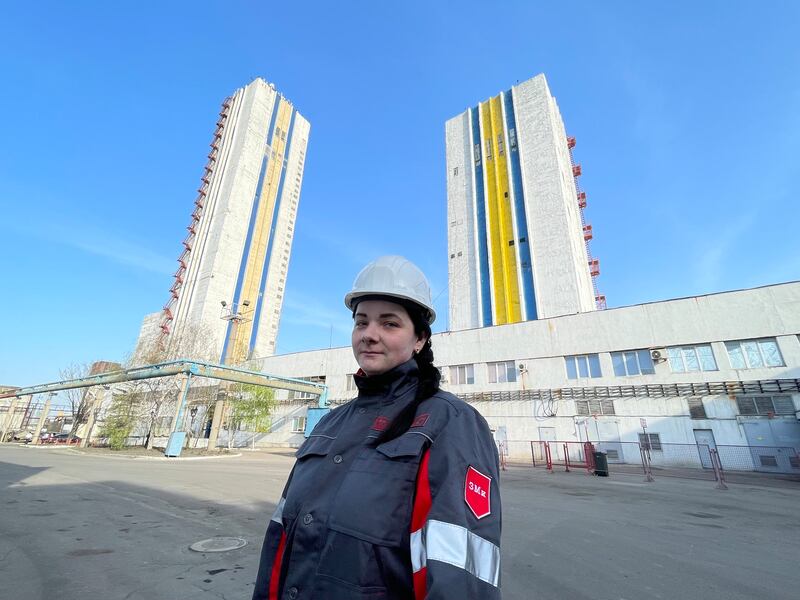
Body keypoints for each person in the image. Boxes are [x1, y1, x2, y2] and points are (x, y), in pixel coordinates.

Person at [253, 256, 502, 600]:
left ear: (419, 339)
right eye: (361, 322)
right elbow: (280, 541)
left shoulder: (450, 422)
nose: (369, 335)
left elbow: (461, 573)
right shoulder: (330, 423)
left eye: (389, 324)